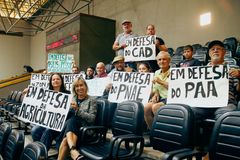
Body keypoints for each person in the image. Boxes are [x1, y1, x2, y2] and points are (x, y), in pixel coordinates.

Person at [191, 40, 240, 155]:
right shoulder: (201, 70)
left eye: (219, 48)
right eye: (213, 49)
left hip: (226, 102)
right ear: (209, 54)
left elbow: (238, 90)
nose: (216, 50)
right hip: (205, 103)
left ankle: (213, 153)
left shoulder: (233, 68)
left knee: (224, 117)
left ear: (224, 52)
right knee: (190, 113)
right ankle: (197, 145)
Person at [57, 78, 97, 160]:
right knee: (70, 122)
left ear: (85, 86)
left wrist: (77, 110)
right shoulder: (72, 98)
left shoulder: (92, 100)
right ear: (74, 89)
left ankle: (72, 150)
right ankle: (73, 151)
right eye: (76, 86)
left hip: (84, 131)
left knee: (72, 121)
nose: (79, 88)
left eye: (81, 85)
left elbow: (92, 119)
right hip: (71, 130)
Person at [31, 73, 71, 151]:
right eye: (53, 79)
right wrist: (30, 91)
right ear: (51, 82)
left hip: (59, 123)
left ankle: (42, 153)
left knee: (47, 131)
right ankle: (37, 149)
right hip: (47, 121)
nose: (55, 81)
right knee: (34, 130)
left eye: (58, 79)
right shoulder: (46, 93)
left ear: (61, 81)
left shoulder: (67, 93)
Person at [144, 51, 171, 129]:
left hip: (170, 99)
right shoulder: (156, 72)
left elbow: (174, 88)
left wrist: (160, 81)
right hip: (161, 98)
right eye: (159, 60)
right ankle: (153, 132)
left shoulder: (175, 72)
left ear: (169, 61)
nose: (161, 61)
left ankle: (164, 132)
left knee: (155, 107)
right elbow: (156, 89)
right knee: (146, 108)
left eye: (164, 59)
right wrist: (156, 94)